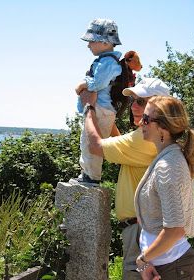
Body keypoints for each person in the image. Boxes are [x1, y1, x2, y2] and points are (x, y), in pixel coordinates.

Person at [79, 78, 170, 280]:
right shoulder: (161, 135)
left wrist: (89, 108)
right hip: (146, 227)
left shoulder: (145, 139)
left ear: (159, 107)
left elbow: (96, 146)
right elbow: (122, 146)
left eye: (141, 102)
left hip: (140, 230)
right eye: (133, 101)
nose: (134, 106)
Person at [135, 96, 194, 280]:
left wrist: (142, 261)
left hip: (172, 268)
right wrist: (147, 262)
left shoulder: (168, 166)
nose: (140, 123)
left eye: (146, 119)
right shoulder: (168, 158)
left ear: (163, 128)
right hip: (165, 265)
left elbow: (174, 230)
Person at [69, 18, 122, 187]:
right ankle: (87, 173)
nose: (88, 45)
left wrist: (82, 85)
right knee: (87, 142)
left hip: (100, 108)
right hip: (102, 108)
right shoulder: (107, 60)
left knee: (90, 143)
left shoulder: (107, 62)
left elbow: (98, 83)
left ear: (105, 42)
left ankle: (91, 177)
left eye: (91, 41)